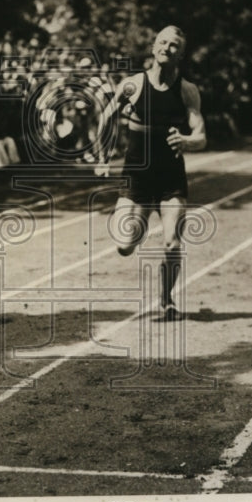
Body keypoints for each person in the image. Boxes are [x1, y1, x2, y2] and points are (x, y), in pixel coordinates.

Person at [97, 25, 207, 320]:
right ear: (154, 47)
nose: (166, 48)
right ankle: (140, 219)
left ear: (181, 54)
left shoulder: (187, 91)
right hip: (137, 176)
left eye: (173, 46)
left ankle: (167, 299)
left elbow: (201, 135)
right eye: (162, 42)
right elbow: (106, 117)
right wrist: (103, 154)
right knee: (124, 245)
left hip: (171, 176)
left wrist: (186, 141)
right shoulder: (133, 85)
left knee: (172, 242)